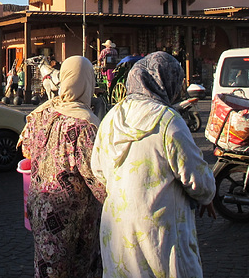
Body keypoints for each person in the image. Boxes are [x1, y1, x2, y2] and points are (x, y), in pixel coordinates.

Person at [91, 51, 216, 278]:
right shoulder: (168, 121)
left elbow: (98, 169)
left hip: (118, 227)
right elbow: (197, 177)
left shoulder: (112, 117)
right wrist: (206, 197)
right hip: (161, 231)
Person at [18, 55, 106, 278]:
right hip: (73, 217)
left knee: (47, 266)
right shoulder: (84, 124)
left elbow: (26, 149)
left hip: (39, 206)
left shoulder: (41, 113)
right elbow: (95, 177)